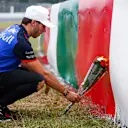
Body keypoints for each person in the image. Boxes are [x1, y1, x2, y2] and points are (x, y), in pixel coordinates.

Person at [0, 5, 81, 121]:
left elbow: (26, 65)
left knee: (36, 75)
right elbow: (44, 74)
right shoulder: (21, 42)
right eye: (43, 26)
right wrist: (67, 93)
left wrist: (47, 77)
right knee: (38, 80)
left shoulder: (15, 29)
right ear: (33, 22)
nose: (44, 30)